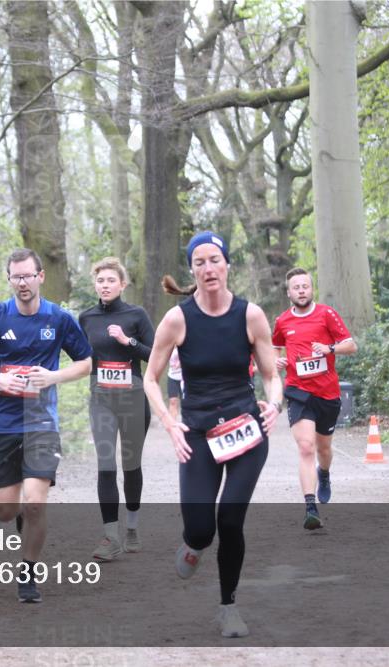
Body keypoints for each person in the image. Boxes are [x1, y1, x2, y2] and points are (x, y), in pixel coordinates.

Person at [143, 231, 282, 638]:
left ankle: (228, 607)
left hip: (246, 432)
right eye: (200, 262)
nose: (208, 268)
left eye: (215, 260)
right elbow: (150, 378)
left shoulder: (251, 315)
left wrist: (273, 405)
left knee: (231, 520)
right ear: (193, 270)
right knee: (202, 528)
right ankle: (192, 544)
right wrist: (170, 424)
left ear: (227, 265)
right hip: (199, 434)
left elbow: (273, 375)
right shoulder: (178, 319)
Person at [0, 248, 93, 603]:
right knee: (5, 511)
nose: (22, 283)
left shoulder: (59, 319)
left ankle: (28, 573)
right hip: (3, 422)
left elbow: (87, 364)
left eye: (28, 275)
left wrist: (53, 377)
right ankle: (20, 521)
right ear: (9, 279)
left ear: (40, 276)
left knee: (35, 503)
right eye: (16, 277)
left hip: (41, 421)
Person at [78, 258, 154, 561]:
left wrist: (128, 341)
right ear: (95, 285)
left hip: (133, 398)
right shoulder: (86, 318)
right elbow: (78, 355)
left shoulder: (136, 314)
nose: (105, 285)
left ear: (122, 284)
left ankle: (132, 528)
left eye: (111, 280)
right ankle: (110, 537)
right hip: (101, 398)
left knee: (131, 465)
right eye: (100, 281)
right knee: (106, 463)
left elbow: (155, 353)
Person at [272, 267, 357, 530]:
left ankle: (324, 473)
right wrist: (278, 361)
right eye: (296, 287)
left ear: (311, 289)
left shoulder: (326, 314)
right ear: (289, 293)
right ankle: (310, 507)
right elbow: (275, 346)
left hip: (327, 393)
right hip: (298, 392)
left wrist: (330, 348)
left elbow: (351, 345)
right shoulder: (282, 321)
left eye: (305, 286)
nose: (301, 290)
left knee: (323, 449)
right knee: (306, 447)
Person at [167, 349, 182, 422]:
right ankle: (173, 424)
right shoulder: (168, 345)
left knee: (185, 401)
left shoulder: (185, 342)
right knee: (173, 401)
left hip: (184, 377)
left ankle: (187, 424)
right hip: (172, 376)